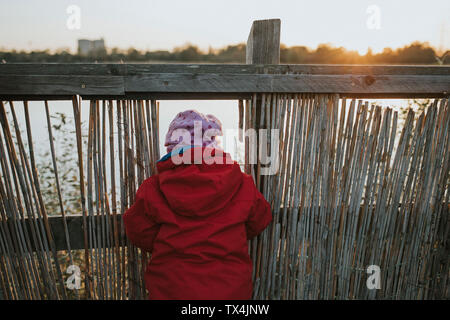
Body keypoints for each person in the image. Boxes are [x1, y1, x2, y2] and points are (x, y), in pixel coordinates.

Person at [123, 109, 272, 300]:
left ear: (172, 149)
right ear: (215, 147)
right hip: (230, 290)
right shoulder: (242, 184)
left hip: (171, 289)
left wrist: (167, 241)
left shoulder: (154, 188)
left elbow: (138, 230)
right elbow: (260, 219)